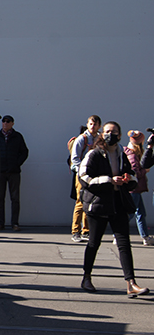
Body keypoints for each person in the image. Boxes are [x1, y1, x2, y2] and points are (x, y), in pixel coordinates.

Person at [78, 121, 149, 297]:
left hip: (118, 202)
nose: (111, 134)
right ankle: (86, 277)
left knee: (124, 243)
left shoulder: (121, 154)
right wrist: (109, 180)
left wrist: (128, 180)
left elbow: (131, 174)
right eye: (108, 131)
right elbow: (84, 177)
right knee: (94, 242)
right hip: (99, 203)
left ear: (120, 135)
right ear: (102, 134)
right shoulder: (94, 154)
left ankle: (131, 283)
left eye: (115, 132)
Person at [0, 115, 29, 231]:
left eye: (8, 122)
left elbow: (24, 152)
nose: (5, 123)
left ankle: (15, 223)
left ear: (12, 123)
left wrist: (17, 163)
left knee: (15, 198)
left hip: (14, 172)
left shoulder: (17, 137)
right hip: (0, 172)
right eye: (3, 121)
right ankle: (0, 223)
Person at [70, 115, 101, 242]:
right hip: (82, 176)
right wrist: (82, 173)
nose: (93, 126)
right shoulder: (81, 139)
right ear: (87, 125)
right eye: (90, 124)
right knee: (80, 202)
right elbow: (75, 160)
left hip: (95, 176)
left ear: (99, 125)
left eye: (95, 124)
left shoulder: (100, 138)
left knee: (90, 203)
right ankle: (75, 231)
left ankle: (86, 231)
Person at [123, 130, 154, 246]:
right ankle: (118, 233)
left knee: (140, 213)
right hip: (134, 188)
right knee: (131, 213)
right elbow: (135, 172)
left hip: (136, 188)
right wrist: (144, 171)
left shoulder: (129, 152)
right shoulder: (132, 155)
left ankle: (145, 236)